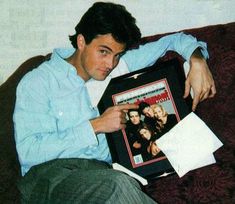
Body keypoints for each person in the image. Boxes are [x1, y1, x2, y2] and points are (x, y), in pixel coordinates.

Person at [13, 2, 216, 203]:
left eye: (117, 55)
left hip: (101, 174)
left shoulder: (121, 66)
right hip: (49, 178)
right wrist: (96, 126)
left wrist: (197, 60)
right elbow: (29, 153)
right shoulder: (37, 82)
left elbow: (175, 41)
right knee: (118, 185)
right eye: (103, 52)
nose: (110, 64)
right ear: (82, 41)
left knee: (119, 183)